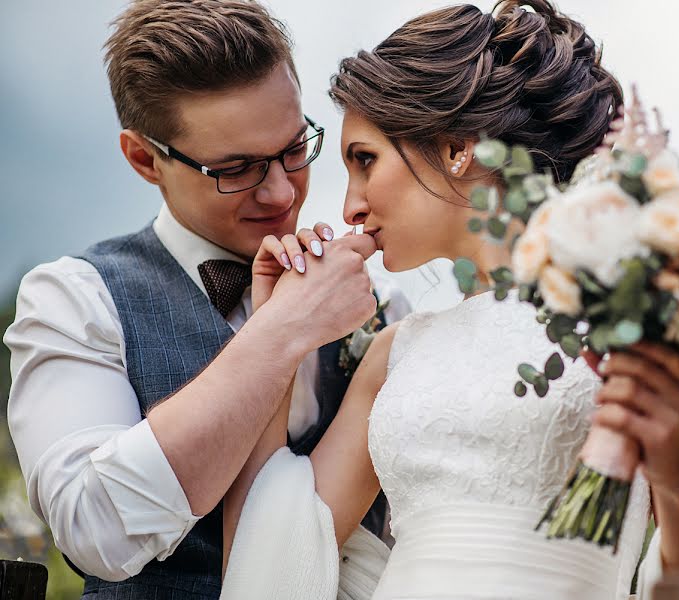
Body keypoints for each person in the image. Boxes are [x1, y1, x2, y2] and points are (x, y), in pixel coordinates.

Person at [222, 2, 679, 599]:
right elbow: (270, 559)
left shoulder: (645, 322)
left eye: (365, 160)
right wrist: (277, 332)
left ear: (458, 147)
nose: (349, 206)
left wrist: (677, 481)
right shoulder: (394, 353)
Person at [3, 1, 407, 598]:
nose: (279, 191)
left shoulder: (379, 300)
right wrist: (285, 329)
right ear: (145, 160)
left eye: (295, 149)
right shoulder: (74, 299)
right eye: (235, 168)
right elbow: (97, 530)